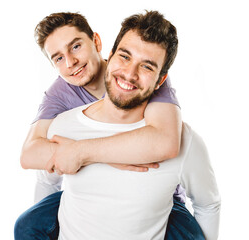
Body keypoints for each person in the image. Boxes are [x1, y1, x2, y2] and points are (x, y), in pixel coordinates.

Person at [16, 10, 220, 239]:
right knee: (27, 225)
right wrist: (102, 156)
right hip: (90, 194)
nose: (71, 62)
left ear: (97, 42)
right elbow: (30, 154)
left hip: (160, 195)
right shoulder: (60, 95)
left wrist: (81, 152)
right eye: (58, 58)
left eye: (75, 47)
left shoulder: (146, 78)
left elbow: (167, 142)